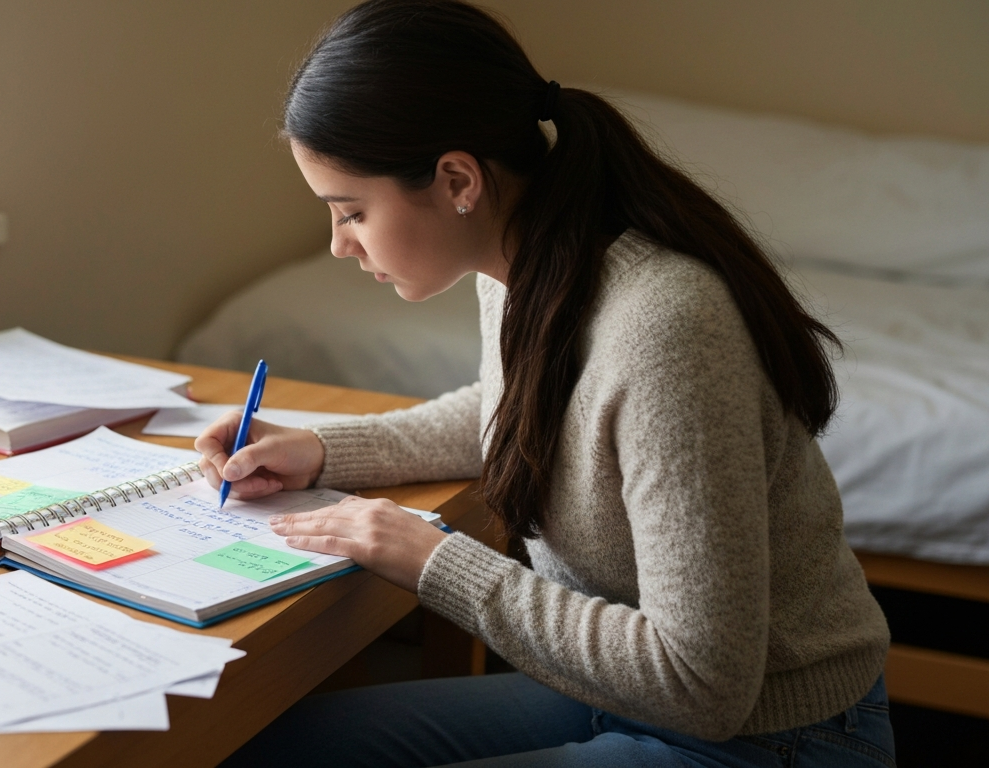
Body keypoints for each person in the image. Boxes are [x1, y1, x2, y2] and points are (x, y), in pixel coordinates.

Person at [195, 1, 894, 766]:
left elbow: (704, 683)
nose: (338, 244)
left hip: (768, 733)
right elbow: (525, 411)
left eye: (351, 211)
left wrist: (432, 557)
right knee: (269, 748)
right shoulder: (523, 263)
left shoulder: (666, 328)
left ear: (458, 179)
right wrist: (322, 449)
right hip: (616, 684)